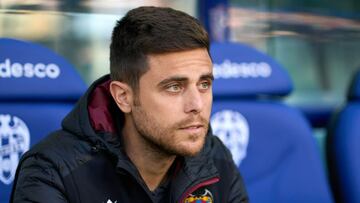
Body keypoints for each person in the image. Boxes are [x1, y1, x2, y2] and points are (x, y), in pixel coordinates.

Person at [11, 6, 248, 203]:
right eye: (174, 87)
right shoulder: (52, 170)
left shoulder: (214, 155)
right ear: (123, 97)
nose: (197, 104)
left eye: (204, 84)